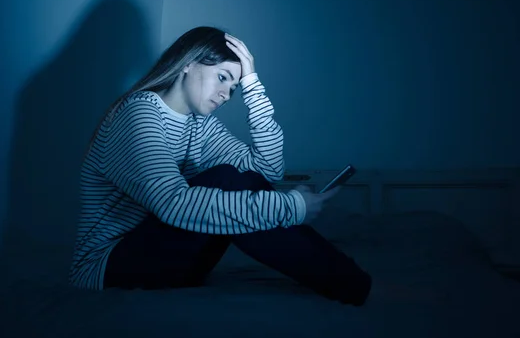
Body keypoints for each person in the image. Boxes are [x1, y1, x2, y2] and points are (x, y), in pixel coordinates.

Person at [68, 26, 372, 306]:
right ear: (188, 63)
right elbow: (174, 204)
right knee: (227, 179)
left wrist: (252, 85)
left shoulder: (201, 126)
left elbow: (266, 171)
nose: (227, 95)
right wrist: (292, 207)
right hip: (107, 267)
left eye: (235, 87)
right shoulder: (137, 114)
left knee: (239, 179)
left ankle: (348, 280)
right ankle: (350, 281)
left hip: (177, 264)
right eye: (223, 77)